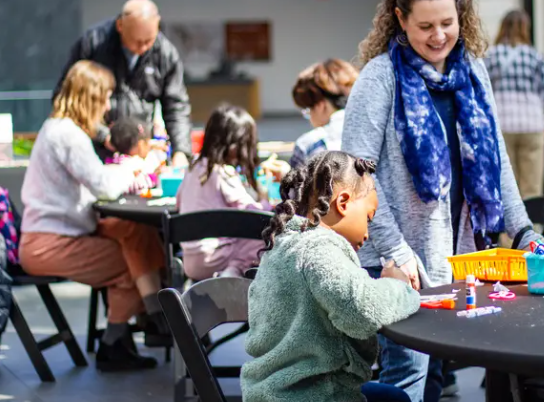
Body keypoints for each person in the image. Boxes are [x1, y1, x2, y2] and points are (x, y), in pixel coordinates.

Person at [342, 0, 543, 402]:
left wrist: (523, 229)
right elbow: (356, 176)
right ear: (399, 20)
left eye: (447, 24)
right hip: (397, 261)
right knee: (409, 372)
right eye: (425, 26)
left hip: (459, 255)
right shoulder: (380, 77)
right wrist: (396, 251)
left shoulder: (473, 70)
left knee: (434, 372)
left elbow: (497, 159)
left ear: (462, 16)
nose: (438, 36)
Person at [241, 151, 420, 402]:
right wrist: (398, 287)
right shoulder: (319, 249)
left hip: (278, 395)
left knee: (396, 401)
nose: (368, 233)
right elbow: (360, 309)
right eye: (368, 218)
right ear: (344, 202)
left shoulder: (288, 242)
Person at [20, 60, 168, 372]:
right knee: (131, 265)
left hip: (63, 232)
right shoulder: (68, 135)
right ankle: (140, 329)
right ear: (90, 97)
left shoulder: (58, 129)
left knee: (135, 231)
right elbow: (103, 185)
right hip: (50, 243)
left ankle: (153, 317)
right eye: (104, 97)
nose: (107, 106)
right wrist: (131, 166)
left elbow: (95, 183)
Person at [55, 0, 192, 167]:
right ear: (120, 26)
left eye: (149, 41)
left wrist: (181, 151)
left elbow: (176, 106)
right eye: (137, 41)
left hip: (139, 150)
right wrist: (103, 135)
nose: (143, 48)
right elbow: (66, 98)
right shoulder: (94, 43)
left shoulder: (165, 53)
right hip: (95, 148)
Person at [176, 104, 289, 280]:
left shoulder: (194, 167)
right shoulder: (223, 172)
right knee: (267, 236)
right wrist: (265, 198)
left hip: (190, 260)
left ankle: (229, 272)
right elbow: (253, 214)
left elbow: (179, 201)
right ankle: (232, 272)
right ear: (236, 146)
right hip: (216, 259)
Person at [486, 9, 544, 198]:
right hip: (531, 125)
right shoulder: (535, 56)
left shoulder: (491, 55)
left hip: (502, 124)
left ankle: (507, 227)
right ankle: (531, 225)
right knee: (531, 186)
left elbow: (485, 91)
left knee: (505, 185)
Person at [290, 58, 360, 168]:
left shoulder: (309, 144)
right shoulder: (374, 132)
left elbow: (295, 184)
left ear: (320, 105)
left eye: (308, 111)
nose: (309, 117)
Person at [106, 117, 167, 195]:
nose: (150, 148)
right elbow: (136, 185)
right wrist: (154, 177)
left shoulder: (114, 161)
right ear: (141, 145)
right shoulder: (131, 164)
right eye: (148, 143)